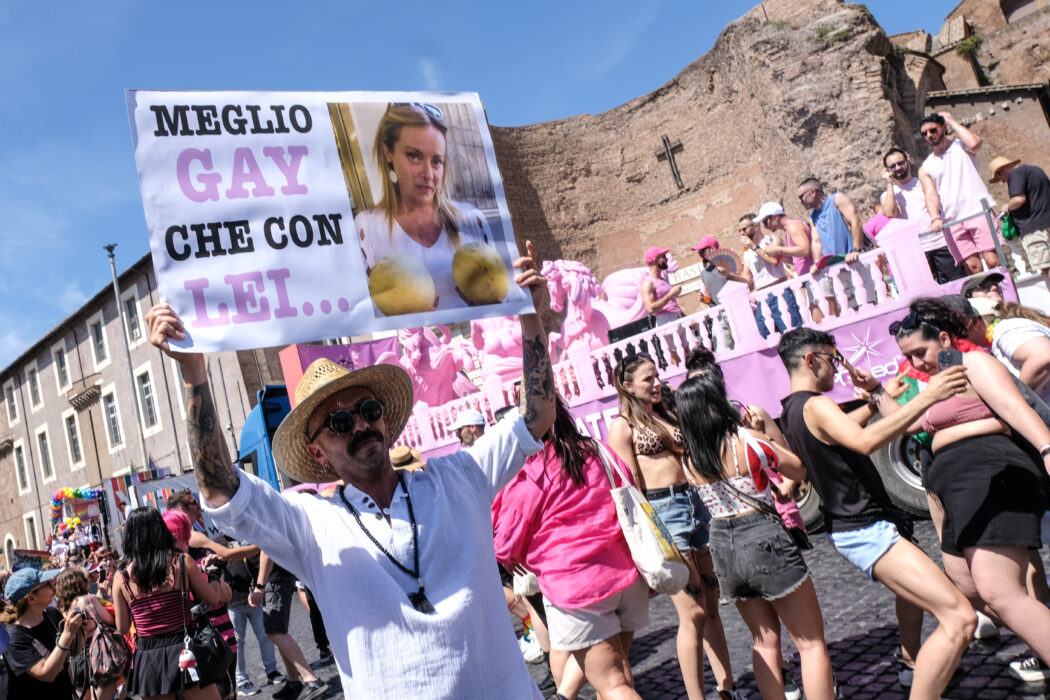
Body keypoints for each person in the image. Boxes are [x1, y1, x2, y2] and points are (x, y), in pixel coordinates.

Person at [145, 241, 555, 698]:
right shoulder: (310, 523)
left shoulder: (457, 477)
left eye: (368, 408)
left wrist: (529, 314)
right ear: (318, 453)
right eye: (340, 422)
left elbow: (535, 416)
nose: (360, 423)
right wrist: (193, 373)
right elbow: (221, 488)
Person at [776, 328, 977, 699]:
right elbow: (866, 442)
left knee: (918, 599)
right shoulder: (815, 404)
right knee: (961, 619)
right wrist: (929, 395)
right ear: (811, 359)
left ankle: (911, 659)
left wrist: (877, 398)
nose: (837, 369)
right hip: (864, 527)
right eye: (833, 359)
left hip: (861, 525)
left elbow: (841, 431)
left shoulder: (791, 409)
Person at [890, 298, 1050, 680]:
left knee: (999, 591)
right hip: (957, 486)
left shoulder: (974, 361)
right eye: (907, 357)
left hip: (987, 471)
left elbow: (1014, 407)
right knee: (965, 586)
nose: (915, 365)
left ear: (945, 338)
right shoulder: (947, 375)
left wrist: (1046, 447)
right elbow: (909, 425)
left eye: (920, 352)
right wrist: (876, 395)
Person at [676, 370, 835, 700]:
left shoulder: (690, 457)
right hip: (762, 534)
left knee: (764, 642)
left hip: (721, 542)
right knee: (810, 642)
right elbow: (796, 469)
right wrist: (763, 435)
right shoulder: (747, 441)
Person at [492, 396, 647, 700]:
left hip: (577, 587)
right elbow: (627, 482)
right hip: (625, 576)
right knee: (618, 673)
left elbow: (505, 542)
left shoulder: (529, 472)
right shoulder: (594, 448)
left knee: (613, 684)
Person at [607, 353, 739, 700]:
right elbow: (630, 487)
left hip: (695, 503)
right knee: (693, 613)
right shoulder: (622, 427)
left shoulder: (667, 412)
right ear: (627, 384)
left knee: (712, 607)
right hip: (664, 513)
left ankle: (728, 689)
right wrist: (647, 535)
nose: (656, 384)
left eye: (656, 377)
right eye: (647, 379)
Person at [355, 103, 495, 314]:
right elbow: (365, 314)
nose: (428, 174)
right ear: (388, 152)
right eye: (414, 156)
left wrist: (497, 301)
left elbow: (503, 301)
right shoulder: (367, 229)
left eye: (436, 161)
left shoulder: (471, 220)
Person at [112, 507, 226, 700]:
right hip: (186, 648)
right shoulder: (181, 562)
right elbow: (213, 599)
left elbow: (122, 627)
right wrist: (213, 574)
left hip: (149, 657)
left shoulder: (121, 576)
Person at [919, 112, 999, 274]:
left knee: (993, 261)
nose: (929, 135)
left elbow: (976, 144)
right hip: (951, 220)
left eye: (933, 130)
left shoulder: (961, 146)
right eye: (924, 133)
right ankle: (988, 298)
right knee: (973, 268)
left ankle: (1008, 298)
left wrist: (951, 120)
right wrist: (935, 218)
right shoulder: (926, 166)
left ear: (943, 128)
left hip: (977, 211)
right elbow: (930, 194)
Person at [880, 147, 965, 283]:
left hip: (942, 244)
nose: (897, 167)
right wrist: (889, 183)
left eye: (900, 163)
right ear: (887, 170)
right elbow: (890, 213)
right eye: (892, 166)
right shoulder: (888, 195)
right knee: (929, 299)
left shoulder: (924, 182)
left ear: (907, 162)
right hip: (916, 252)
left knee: (957, 286)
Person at [250, 552, 328, 700]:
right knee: (277, 631)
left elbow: (266, 548)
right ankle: (294, 681)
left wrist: (259, 586)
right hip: (272, 579)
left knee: (276, 631)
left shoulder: (261, 528)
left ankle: (311, 679)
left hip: (274, 579)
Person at [1, 567, 83, 699]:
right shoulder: (13, 637)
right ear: (32, 598)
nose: (53, 586)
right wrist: (67, 635)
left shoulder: (52, 614)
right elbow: (47, 674)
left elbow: (71, 652)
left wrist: (81, 631)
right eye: (47, 585)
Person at [797, 177, 866, 315]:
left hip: (852, 262)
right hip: (834, 267)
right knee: (845, 309)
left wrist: (855, 249)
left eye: (801, 196)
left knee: (863, 305)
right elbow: (816, 242)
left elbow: (855, 222)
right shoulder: (813, 216)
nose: (800, 201)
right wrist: (817, 264)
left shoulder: (837, 200)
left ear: (813, 192)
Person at [54, 567, 120, 700]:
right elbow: (110, 620)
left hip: (75, 658)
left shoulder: (60, 608)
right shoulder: (88, 599)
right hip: (98, 654)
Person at [737, 211, 803, 334]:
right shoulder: (747, 253)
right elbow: (748, 281)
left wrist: (753, 246)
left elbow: (774, 261)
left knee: (794, 333)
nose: (742, 233)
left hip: (780, 293)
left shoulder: (773, 240)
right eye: (739, 231)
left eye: (744, 229)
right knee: (766, 337)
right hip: (762, 298)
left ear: (756, 226)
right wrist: (728, 275)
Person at [759, 203, 824, 323]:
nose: (765, 226)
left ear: (775, 217)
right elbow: (798, 258)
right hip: (811, 278)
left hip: (815, 278)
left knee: (821, 319)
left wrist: (779, 249)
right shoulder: (791, 228)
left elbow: (805, 249)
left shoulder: (793, 227)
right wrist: (781, 255)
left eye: (765, 222)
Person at [990, 156, 1050, 279]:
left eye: (999, 177)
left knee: (1047, 267)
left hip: (1035, 230)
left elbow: (1018, 199)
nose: (1002, 181)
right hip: (1046, 223)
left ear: (1001, 170)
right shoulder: (1035, 170)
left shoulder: (1016, 174)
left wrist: (1007, 207)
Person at [641, 247, 684, 324]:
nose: (666, 259)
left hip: (677, 317)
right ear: (655, 260)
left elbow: (673, 305)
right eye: (663, 257)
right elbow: (650, 308)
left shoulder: (662, 279)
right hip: (665, 321)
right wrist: (670, 295)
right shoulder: (648, 283)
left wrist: (686, 318)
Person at [690, 237, 728, 308]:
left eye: (703, 250)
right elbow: (710, 300)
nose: (700, 253)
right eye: (700, 251)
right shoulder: (704, 273)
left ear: (713, 248)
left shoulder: (729, 263)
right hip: (721, 314)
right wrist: (705, 300)